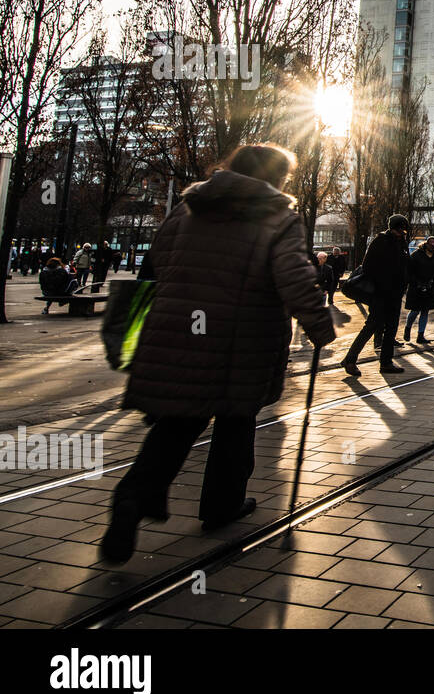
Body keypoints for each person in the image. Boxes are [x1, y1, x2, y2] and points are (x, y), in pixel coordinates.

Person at [100, 143, 336, 564]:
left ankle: (133, 498)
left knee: (175, 424)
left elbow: (153, 269)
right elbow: (295, 279)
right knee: (235, 423)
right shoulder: (278, 216)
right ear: (276, 177)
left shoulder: (186, 209)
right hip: (241, 342)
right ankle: (221, 505)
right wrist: (320, 326)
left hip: (177, 335)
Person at [342, 215, 410, 376]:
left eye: (404, 230)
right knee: (372, 325)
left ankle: (386, 362)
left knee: (391, 328)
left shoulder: (401, 243)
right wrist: (384, 283)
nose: (402, 233)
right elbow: (368, 267)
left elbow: (404, 265)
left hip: (395, 293)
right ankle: (350, 359)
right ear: (393, 228)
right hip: (381, 293)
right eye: (399, 229)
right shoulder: (381, 241)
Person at [404, 238, 434, 344]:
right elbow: (410, 271)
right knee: (415, 311)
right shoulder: (416, 255)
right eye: (431, 243)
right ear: (426, 244)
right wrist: (415, 282)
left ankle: (420, 335)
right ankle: (408, 328)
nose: (433, 245)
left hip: (430, 288)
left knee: (425, 311)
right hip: (417, 287)